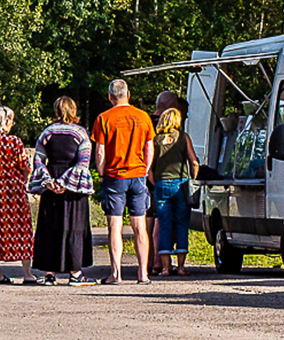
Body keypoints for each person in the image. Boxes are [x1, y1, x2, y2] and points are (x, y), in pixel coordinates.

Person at [93, 79, 156, 285]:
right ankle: (143, 274)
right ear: (128, 94)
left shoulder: (104, 118)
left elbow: (100, 151)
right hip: (138, 175)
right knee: (140, 226)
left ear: (110, 96)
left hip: (115, 176)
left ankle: (116, 274)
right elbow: (149, 148)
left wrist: (101, 174)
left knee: (115, 225)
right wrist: (145, 171)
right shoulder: (143, 117)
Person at [29, 97, 96, 286]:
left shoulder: (47, 132)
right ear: (73, 110)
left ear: (56, 111)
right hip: (73, 186)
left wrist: (49, 181)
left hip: (51, 181)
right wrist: (65, 183)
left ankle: (49, 274)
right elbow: (83, 162)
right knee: (74, 225)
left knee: (51, 226)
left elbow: (38, 160)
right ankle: (75, 274)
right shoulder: (81, 133)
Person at [0, 106, 34, 284]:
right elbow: (25, 165)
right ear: (7, 122)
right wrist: (24, 178)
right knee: (22, 229)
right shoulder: (15, 142)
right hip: (15, 190)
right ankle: (27, 273)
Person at [149, 108, 198, 276]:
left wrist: (155, 182)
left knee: (164, 225)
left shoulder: (155, 140)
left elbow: (148, 167)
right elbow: (194, 162)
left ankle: (165, 268)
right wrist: (194, 178)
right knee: (182, 224)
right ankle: (181, 267)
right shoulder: (183, 138)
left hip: (161, 184)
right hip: (180, 184)